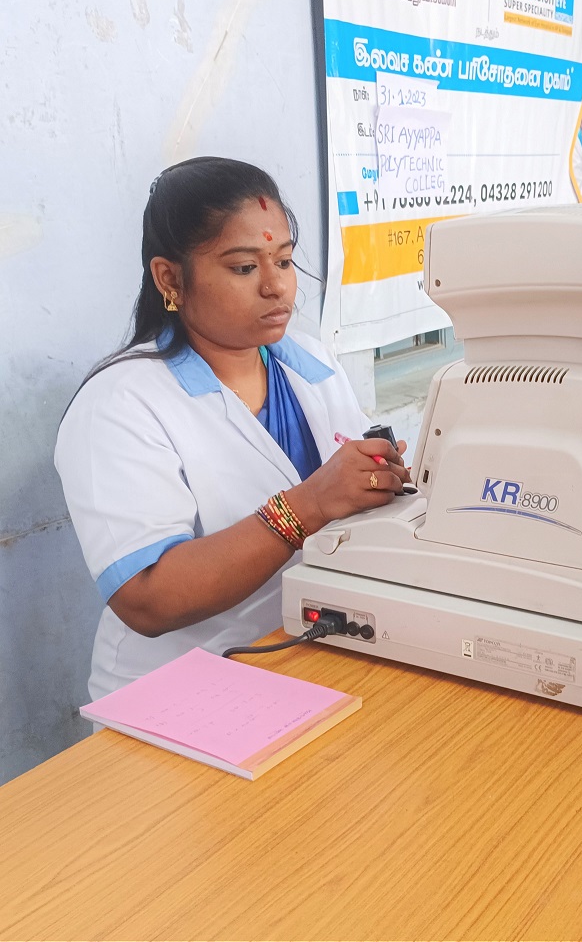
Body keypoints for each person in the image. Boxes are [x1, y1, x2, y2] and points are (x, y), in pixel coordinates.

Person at [57, 157, 411, 701]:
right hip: (177, 692)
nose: (276, 286)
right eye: (245, 268)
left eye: (285, 260)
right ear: (170, 278)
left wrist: (382, 479)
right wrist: (309, 505)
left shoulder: (311, 364)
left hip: (304, 658)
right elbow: (147, 598)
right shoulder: (119, 404)